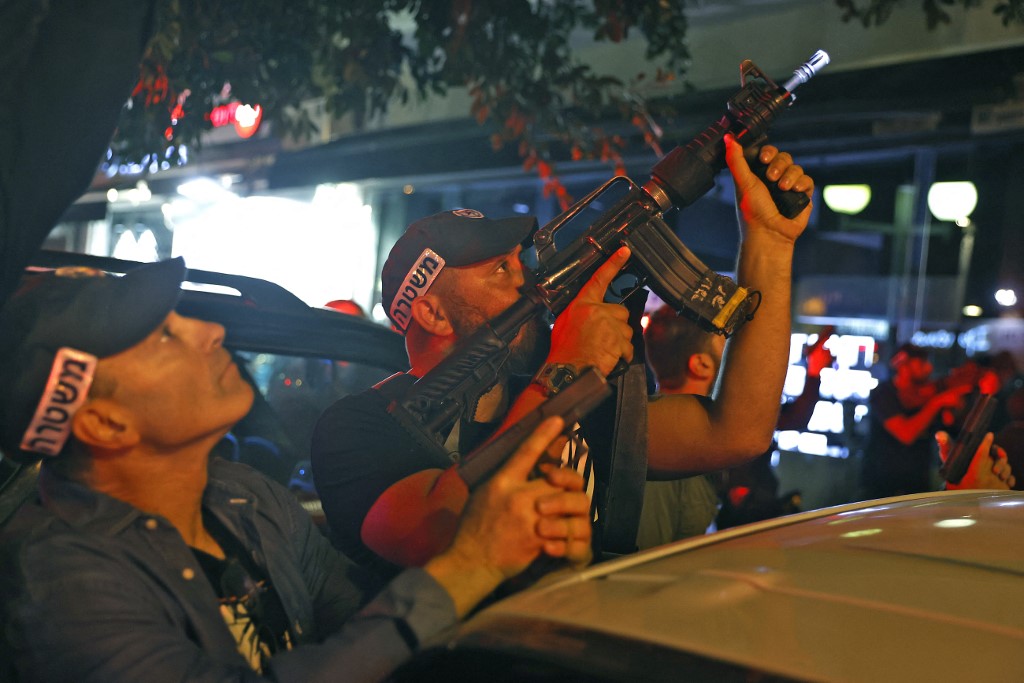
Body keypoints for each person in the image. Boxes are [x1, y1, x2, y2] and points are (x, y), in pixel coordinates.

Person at [0, 259, 593, 682]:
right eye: (164, 337)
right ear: (104, 425)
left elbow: (364, 628)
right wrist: (474, 563)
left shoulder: (246, 500)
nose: (211, 331)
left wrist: (520, 563)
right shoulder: (57, 581)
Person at [312, 137, 815, 575]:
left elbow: (738, 432)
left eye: (518, 262)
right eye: (500, 272)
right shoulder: (359, 428)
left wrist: (769, 244)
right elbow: (436, 536)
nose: (527, 280)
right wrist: (561, 373)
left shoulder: (563, 402)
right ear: (434, 315)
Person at [637, 309, 833, 546]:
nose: (740, 355)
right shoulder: (662, 454)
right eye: (728, 344)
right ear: (700, 364)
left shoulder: (652, 432)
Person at [861, 343, 974, 499]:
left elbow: (951, 430)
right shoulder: (884, 394)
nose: (928, 368)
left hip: (916, 484)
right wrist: (937, 402)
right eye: (921, 363)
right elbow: (906, 433)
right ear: (903, 365)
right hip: (881, 486)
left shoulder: (926, 395)